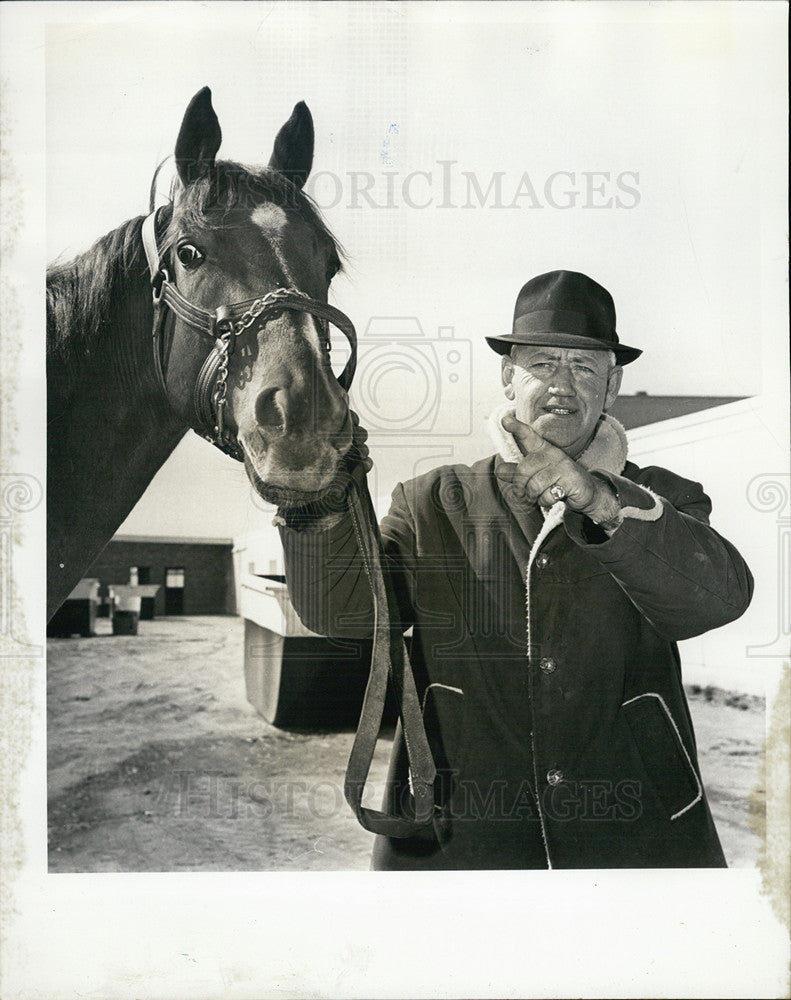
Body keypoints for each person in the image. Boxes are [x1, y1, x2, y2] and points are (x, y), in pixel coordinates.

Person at [276, 269, 754, 870]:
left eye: (584, 367)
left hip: (633, 842)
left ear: (612, 386)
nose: (562, 385)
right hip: (462, 843)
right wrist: (309, 494)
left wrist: (603, 501)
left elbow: (720, 598)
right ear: (509, 376)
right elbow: (341, 611)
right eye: (542, 364)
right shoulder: (431, 502)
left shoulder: (662, 499)